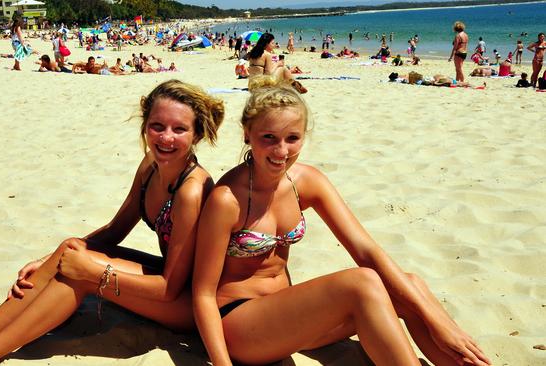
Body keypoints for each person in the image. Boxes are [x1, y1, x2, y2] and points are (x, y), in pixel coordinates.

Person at [0, 79, 225, 365]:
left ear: (196, 134)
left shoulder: (191, 190)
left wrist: (93, 271)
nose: (166, 138)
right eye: (157, 126)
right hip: (166, 284)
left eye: (179, 129)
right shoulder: (150, 166)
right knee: (71, 248)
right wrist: (49, 261)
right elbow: (115, 230)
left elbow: (170, 288)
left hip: (186, 305)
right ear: (145, 125)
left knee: (82, 274)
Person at [192, 77, 491, 366]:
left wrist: (437, 321)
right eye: (268, 138)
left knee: (410, 287)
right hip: (240, 326)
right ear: (247, 133)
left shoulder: (306, 181)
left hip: (291, 320)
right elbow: (203, 293)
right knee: (362, 283)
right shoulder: (227, 199)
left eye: (292, 138)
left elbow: (366, 250)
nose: (281, 151)